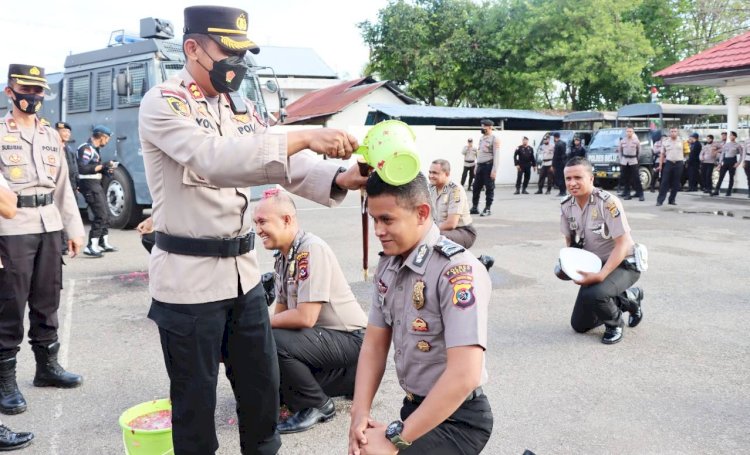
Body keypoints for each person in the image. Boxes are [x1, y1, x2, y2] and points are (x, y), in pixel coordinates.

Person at [138, 6, 367, 454]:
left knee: (261, 396)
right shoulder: (164, 103)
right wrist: (300, 134)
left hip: (241, 279)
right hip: (188, 287)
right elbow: (216, 158)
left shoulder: (239, 107)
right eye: (228, 52)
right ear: (193, 48)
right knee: (195, 407)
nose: (236, 64)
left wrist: (339, 176)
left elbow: (281, 163)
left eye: (243, 54)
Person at [348, 172, 493, 455]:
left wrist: (395, 441)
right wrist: (359, 414)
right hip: (415, 406)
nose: (377, 230)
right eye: (374, 219)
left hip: (460, 419)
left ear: (422, 213)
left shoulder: (456, 271)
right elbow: (374, 345)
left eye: (387, 219)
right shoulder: (389, 266)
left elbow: (465, 374)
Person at [0, 64, 85, 416]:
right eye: (26, 90)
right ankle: (5, 380)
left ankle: (46, 368)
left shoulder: (51, 135)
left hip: (49, 223)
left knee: (48, 298)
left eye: (38, 91)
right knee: (9, 303)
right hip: (11, 229)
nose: (33, 97)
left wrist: (75, 228)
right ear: (10, 92)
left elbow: (63, 186)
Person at [251, 189, 367, 434]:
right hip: (324, 342)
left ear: (287, 219)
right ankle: (338, 383)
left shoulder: (310, 250)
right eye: (255, 223)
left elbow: (305, 317)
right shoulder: (284, 257)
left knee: (271, 338)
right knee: (267, 358)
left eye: (262, 222)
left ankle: (318, 404)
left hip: (352, 340)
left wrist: (255, 324)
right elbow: (281, 313)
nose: (258, 229)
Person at [560, 157, 644, 345]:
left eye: (578, 177)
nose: (572, 183)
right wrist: (568, 267)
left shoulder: (607, 203)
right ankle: (629, 298)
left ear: (591, 178)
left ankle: (614, 324)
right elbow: (571, 244)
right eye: (568, 179)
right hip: (596, 264)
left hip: (623, 263)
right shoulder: (567, 206)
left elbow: (622, 244)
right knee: (579, 325)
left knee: (595, 294)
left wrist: (600, 275)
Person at [77, 125, 118, 257]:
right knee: (100, 215)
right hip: (89, 184)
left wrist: (106, 170)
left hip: (96, 183)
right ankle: (91, 246)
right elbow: (82, 169)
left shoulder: (95, 149)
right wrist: (102, 166)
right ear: (102, 137)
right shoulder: (86, 148)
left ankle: (102, 243)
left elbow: (94, 167)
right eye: (107, 139)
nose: (107, 142)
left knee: (106, 214)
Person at [471, 119, 500, 217]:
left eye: (484, 126)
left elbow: (496, 155)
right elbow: (479, 153)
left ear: (490, 127)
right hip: (480, 166)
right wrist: (476, 165)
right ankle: (475, 207)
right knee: (476, 187)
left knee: (489, 188)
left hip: (489, 166)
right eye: (482, 126)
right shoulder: (482, 138)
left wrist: (494, 170)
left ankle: (488, 208)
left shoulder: (494, 139)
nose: (482, 128)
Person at [56, 122, 77, 256]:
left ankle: (67, 243)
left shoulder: (68, 149)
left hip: (71, 186)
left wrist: (77, 185)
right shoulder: (54, 147)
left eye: (69, 132)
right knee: (59, 216)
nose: (67, 134)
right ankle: (61, 245)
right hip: (59, 187)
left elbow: (73, 169)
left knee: (70, 216)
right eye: (64, 131)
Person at [656, 127, 685, 206]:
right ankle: (660, 201)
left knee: (676, 183)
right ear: (669, 132)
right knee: (664, 182)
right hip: (669, 163)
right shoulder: (665, 142)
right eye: (671, 131)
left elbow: (686, 151)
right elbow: (662, 154)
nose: (673, 133)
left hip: (679, 163)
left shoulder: (682, 141)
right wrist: (660, 165)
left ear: (677, 132)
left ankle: (672, 200)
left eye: (675, 131)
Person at [712, 131, 743, 197]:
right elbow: (722, 154)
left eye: (732, 135)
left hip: (732, 161)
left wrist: (738, 163)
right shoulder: (726, 144)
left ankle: (729, 192)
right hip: (725, 161)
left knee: (731, 177)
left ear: (735, 137)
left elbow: (741, 155)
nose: (731, 136)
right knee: (721, 177)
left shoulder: (738, 145)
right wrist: (720, 163)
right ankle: (716, 191)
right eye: (730, 135)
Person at [617, 127, 644, 201]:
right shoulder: (622, 141)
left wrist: (636, 159)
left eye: (630, 131)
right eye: (627, 131)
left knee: (636, 178)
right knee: (626, 179)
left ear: (633, 132)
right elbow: (620, 151)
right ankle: (627, 194)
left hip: (633, 160)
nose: (629, 133)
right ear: (626, 132)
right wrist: (621, 160)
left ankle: (641, 194)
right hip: (624, 161)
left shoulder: (636, 141)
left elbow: (639, 151)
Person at [552, 132, 567, 197]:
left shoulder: (557, 144)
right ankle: (564, 191)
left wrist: (553, 164)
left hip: (558, 163)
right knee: (563, 177)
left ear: (555, 137)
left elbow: (555, 155)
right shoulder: (563, 143)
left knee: (559, 177)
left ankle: (561, 192)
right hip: (563, 162)